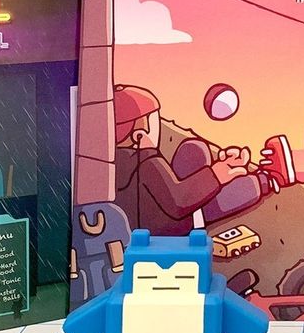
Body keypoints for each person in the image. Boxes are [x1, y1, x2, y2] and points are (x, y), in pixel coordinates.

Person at [113, 84, 294, 236]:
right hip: (172, 226)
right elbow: (179, 202)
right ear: (139, 132)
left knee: (194, 148)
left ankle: (231, 172)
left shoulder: (113, 162)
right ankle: (271, 178)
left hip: (154, 215)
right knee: (214, 201)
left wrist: (218, 166)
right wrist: (217, 175)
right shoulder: (146, 160)